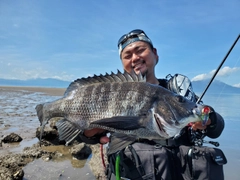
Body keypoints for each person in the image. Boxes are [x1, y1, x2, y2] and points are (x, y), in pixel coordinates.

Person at [80, 29, 225, 180]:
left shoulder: (175, 93)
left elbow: (217, 126)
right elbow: (86, 136)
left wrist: (210, 119)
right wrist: (91, 132)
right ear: (122, 64)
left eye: (140, 50)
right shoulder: (112, 94)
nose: (135, 58)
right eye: (127, 56)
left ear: (155, 54)